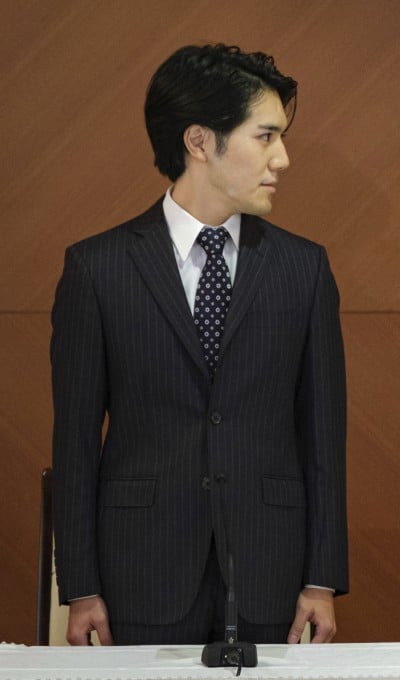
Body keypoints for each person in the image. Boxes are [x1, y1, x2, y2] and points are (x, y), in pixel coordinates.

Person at [50, 43, 348, 646]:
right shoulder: (97, 269)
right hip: (139, 573)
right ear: (200, 141)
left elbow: (322, 437)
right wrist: (80, 587)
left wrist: (321, 579)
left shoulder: (304, 269)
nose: (283, 158)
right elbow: (75, 442)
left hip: (273, 572)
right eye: (265, 136)